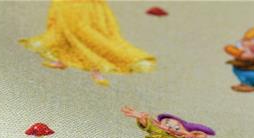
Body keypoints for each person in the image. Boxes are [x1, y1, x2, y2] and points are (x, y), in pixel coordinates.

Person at [19, 0, 155, 86]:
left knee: (86, 32)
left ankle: (98, 65)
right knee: (63, 26)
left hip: (86, 5)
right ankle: (63, 57)